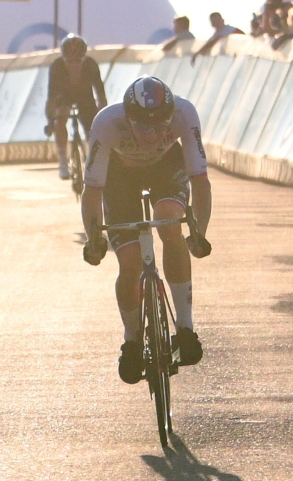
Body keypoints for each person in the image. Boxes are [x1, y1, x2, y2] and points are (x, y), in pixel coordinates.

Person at [79, 77, 214, 383]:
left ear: (171, 116)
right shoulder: (107, 123)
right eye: (142, 127)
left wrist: (199, 233)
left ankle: (185, 327)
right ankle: (131, 340)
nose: (152, 135)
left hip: (166, 168)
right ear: (128, 119)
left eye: (160, 126)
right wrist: (93, 238)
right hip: (118, 177)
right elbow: (93, 190)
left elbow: (201, 181)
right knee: (130, 263)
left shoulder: (184, 113)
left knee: (169, 222)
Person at [45, 34, 107, 179]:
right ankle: (62, 162)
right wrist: (51, 120)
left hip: (84, 96)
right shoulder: (57, 66)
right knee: (60, 118)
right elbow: (52, 97)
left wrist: (102, 116)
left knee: (92, 127)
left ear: (84, 58)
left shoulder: (91, 65)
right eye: (69, 61)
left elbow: (100, 93)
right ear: (63, 58)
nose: (74, 65)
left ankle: (93, 160)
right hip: (64, 96)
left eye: (78, 61)